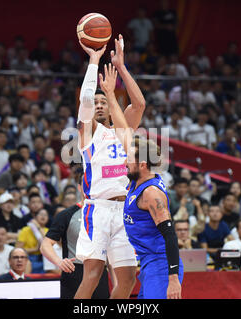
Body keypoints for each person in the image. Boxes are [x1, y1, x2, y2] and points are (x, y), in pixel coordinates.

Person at [74, 35, 145, 299]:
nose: (100, 104)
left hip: (125, 210)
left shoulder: (123, 130)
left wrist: (122, 67)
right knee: (92, 276)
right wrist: (94, 61)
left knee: (127, 279)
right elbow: (85, 102)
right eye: (97, 103)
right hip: (99, 210)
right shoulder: (88, 134)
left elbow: (139, 104)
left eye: (105, 101)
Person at [124, 137, 183, 299]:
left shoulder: (151, 193)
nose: (124, 163)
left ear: (142, 165)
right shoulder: (136, 182)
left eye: (129, 160)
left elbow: (170, 235)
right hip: (148, 262)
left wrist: (173, 278)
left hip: (161, 264)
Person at [41, 172, 110, 299]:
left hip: (100, 271)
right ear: (79, 187)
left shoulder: (107, 214)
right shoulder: (66, 215)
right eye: (87, 183)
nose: (91, 186)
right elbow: (45, 244)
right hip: (74, 272)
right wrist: (59, 262)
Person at [16, 208, 52, 274]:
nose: (43, 216)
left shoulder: (50, 231)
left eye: (45, 215)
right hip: (29, 258)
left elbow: (49, 245)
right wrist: (34, 249)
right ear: (35, 217)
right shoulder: (26, 230)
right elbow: (18, 249)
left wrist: (38, 227)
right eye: (41, 214)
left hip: (45, 260)